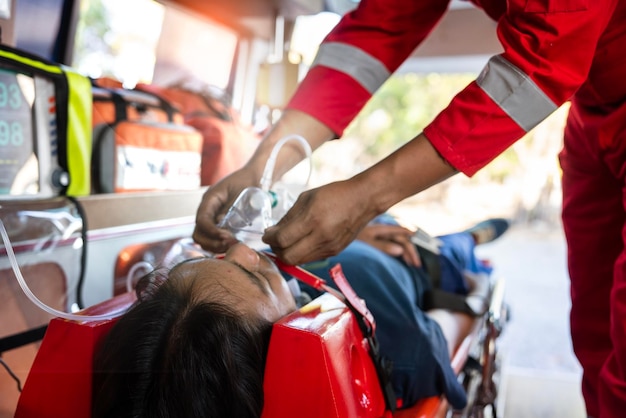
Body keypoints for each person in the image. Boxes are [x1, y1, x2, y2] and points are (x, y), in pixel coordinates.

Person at [192, 1, 626, 416]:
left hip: (592, 74)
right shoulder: (355, 333)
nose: (240, 252)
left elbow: (547, 53)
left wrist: (367, 198)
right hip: (592, 112)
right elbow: (379, 28)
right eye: (243, 272)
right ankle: (466, 240)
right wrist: (260, 167)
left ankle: (464, 239)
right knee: (595, 330)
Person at [92, 217, 508, 418]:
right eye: (252, 275)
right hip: (419, 262)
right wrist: (476, 290)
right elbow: (454, 326)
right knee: (451, 247)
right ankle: (471, 238)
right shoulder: (401, 349)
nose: (241, 249)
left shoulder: (233, 310)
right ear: (279, 359)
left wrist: (354, 228)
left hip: (360, 232)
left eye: (211, 260)